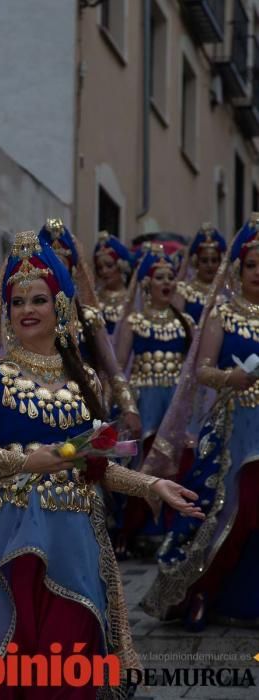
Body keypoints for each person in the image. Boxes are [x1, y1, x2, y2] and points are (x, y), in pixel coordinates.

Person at [0, 230, 204, 699]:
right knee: (12, 653)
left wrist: (150, 485)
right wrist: (30, 460)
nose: (27, 309)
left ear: (60, 306)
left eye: (39, 299)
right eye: (17, 300)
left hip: (75, 536)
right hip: (9, 530)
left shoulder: (83, 381)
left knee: (73, 650)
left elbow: (94, 466)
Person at [142, 213, 259, 630]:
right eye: (251, 265)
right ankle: (200, 593)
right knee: (229, 510)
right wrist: (231, 377)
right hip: (233, 425)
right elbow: (202, 370)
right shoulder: (222, 314)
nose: (257, 273)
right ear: (238, 269)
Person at [114, 247, 194, 555]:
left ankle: (172, 528)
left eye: (171, 277)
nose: (166, 282)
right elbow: (119, 367)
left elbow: (192, 371)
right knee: (143, 461)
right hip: (145, 399)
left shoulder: (185, 322)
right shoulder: (134, 321)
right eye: (159, 276)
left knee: (174, 462)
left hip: (174, 402)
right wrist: (127, 407)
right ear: (146, 283)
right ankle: (141, 529)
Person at [38, 218, 141, 437]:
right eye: (47, 267)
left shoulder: (89, 317)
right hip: (40, 410)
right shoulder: (30, 319)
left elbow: (114, 370)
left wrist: (129, 408)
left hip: (86, 410)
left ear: (72, 271)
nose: (53, 273)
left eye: (60, 266)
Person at [174, 223, 226, 324]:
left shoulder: (227, 292)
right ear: (196, 262)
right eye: (204, 260)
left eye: (214, 260)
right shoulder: (184, 291)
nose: (210, 265)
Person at [93, 231, 133, 336]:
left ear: (121, 267)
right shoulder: (93, 298)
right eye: (100, 268)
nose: (104, 271)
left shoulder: (131, 300)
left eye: (109, 265)